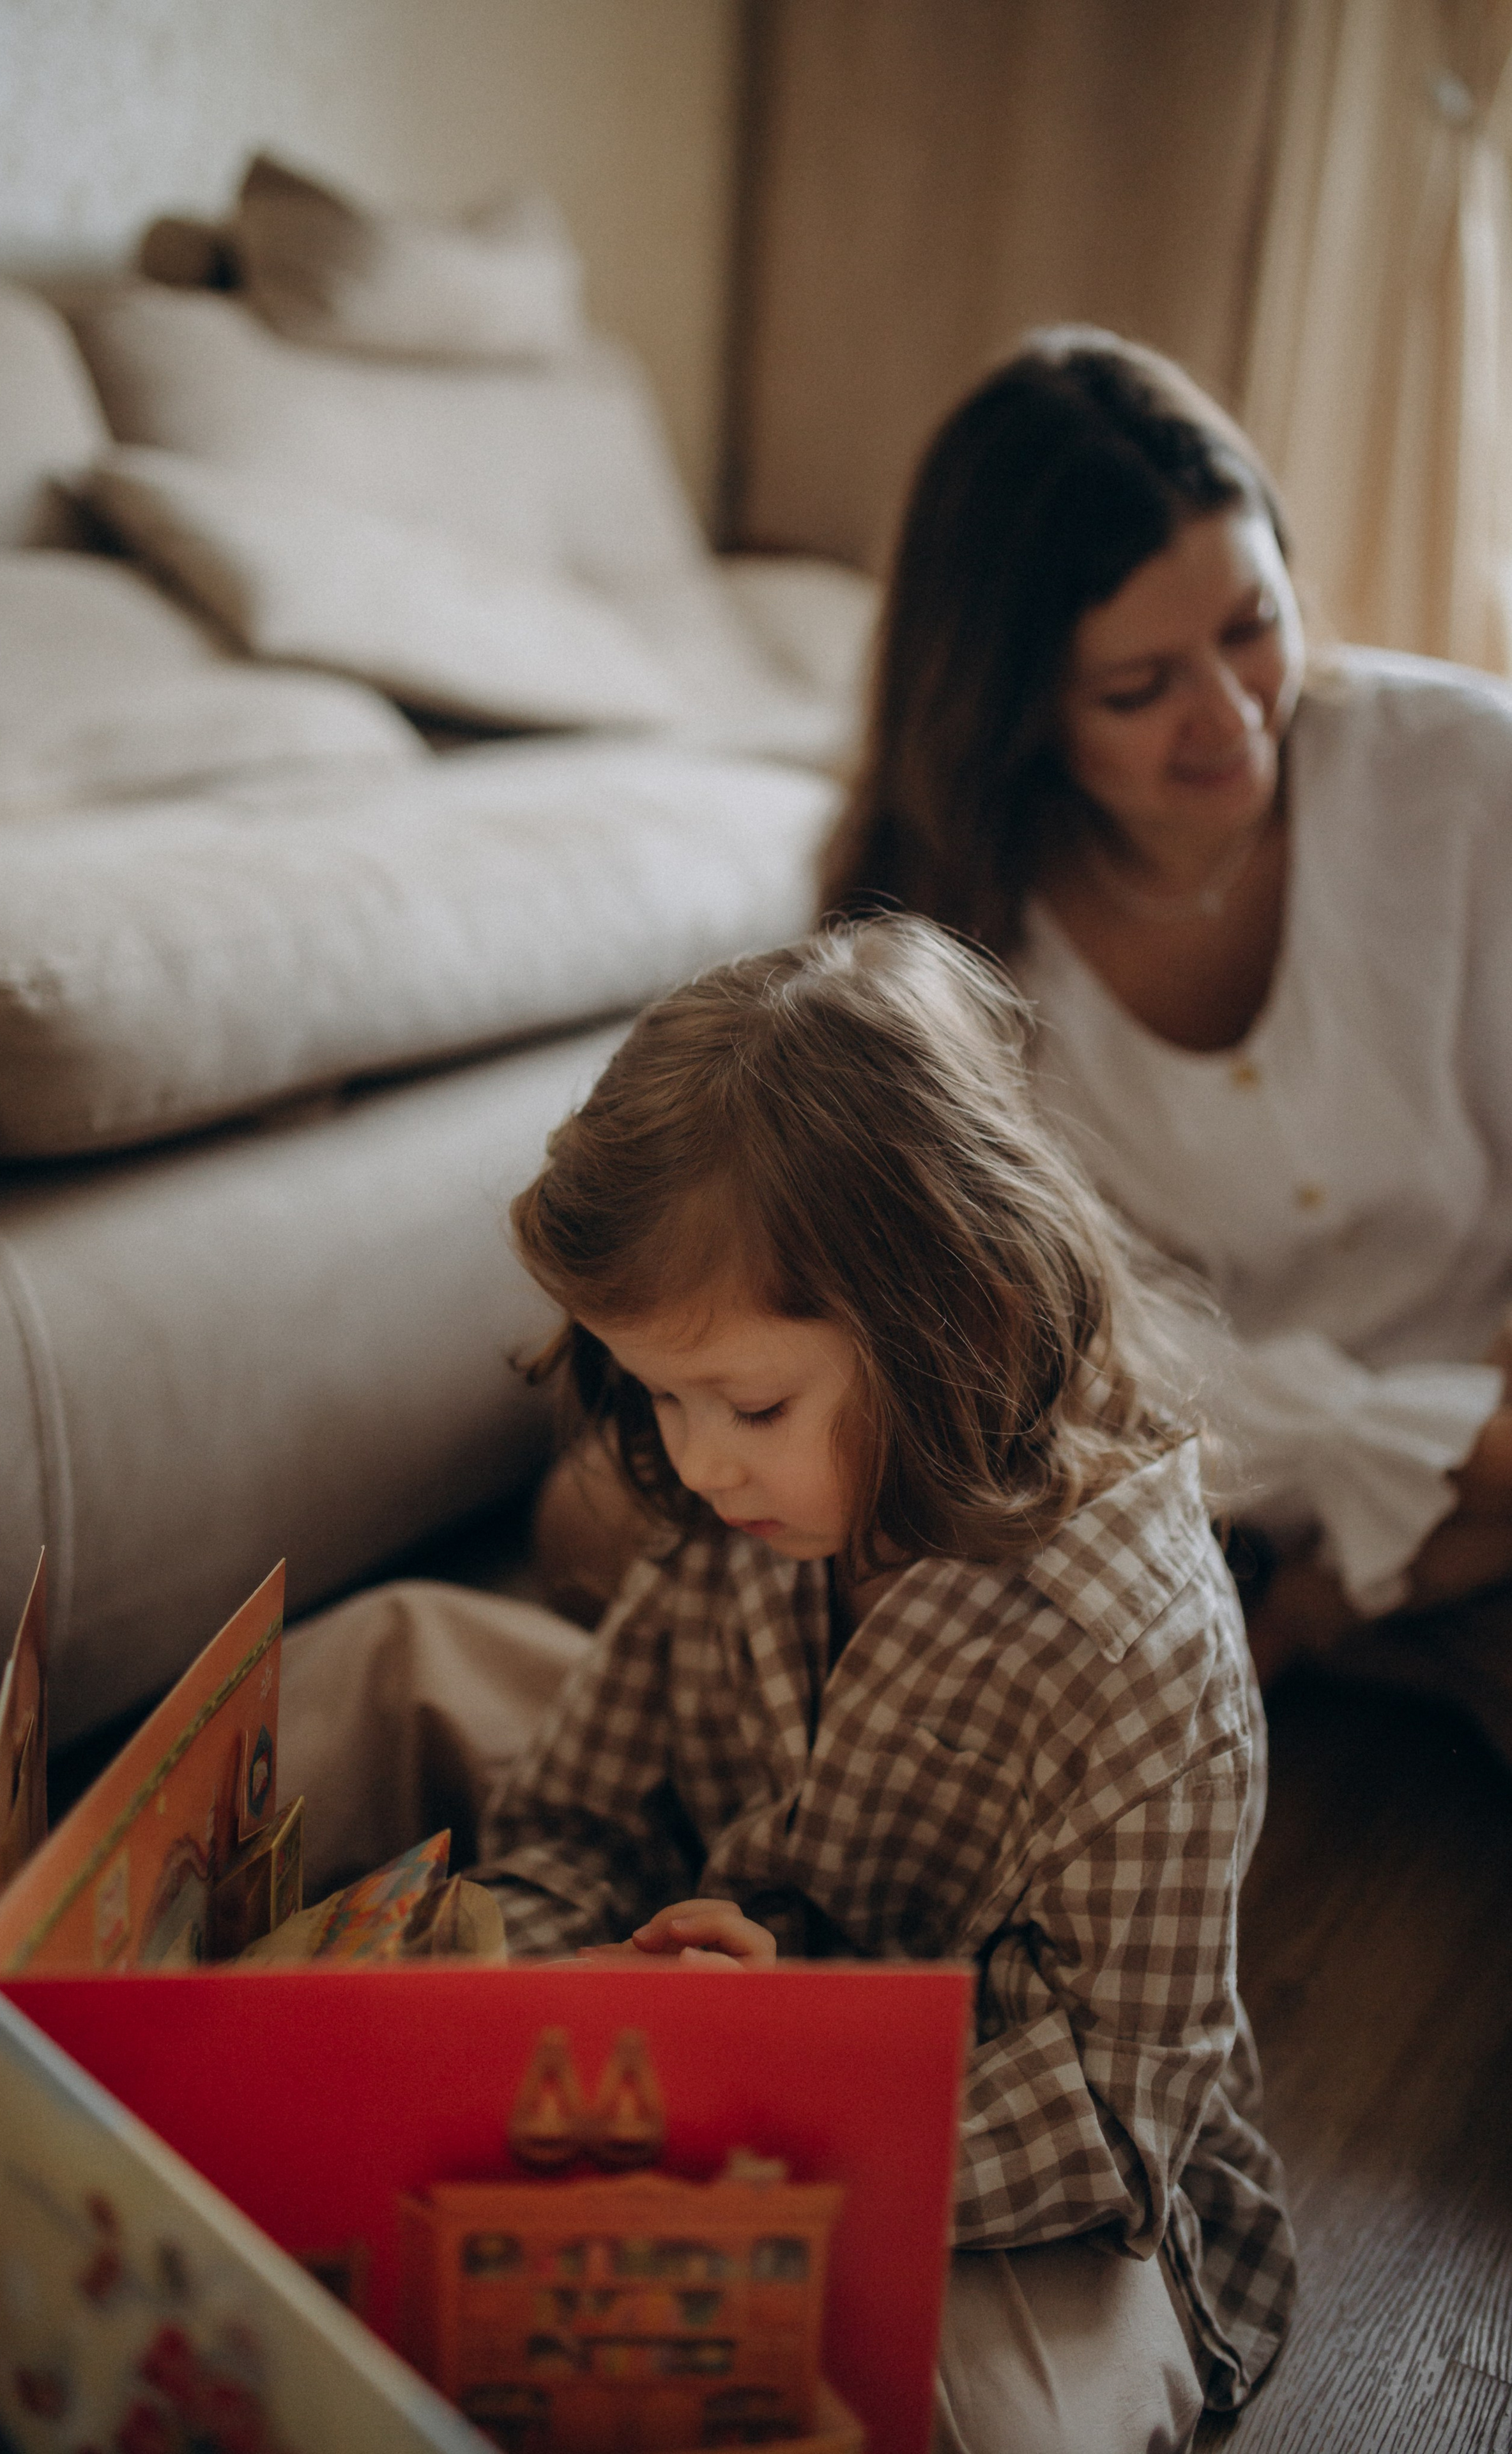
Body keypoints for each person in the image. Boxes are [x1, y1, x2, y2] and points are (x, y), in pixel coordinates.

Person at [303, 917, 1284, 2453]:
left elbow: (1114, 2114)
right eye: (654, 1395)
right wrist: (555, 1992)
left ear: (965, 1322)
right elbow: (572, 1816)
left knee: (1001, 2419)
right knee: (386, 1652)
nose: (691, 1459)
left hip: (1008, 2198)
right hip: (702, 2079)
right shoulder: (748, 1505)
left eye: (746, 1402)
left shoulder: (1143, 1662)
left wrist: (780, 2088)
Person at [818, 328, 1512, 1735]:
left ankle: (1352, 1615)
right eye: (1136, 691)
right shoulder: (939, 933)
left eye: (1252, 626)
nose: (1229, 719)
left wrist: (1428, 1507)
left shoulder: (1461, 774)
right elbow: (1046, 1344)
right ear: (1013, 710)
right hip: (1195, 1482)